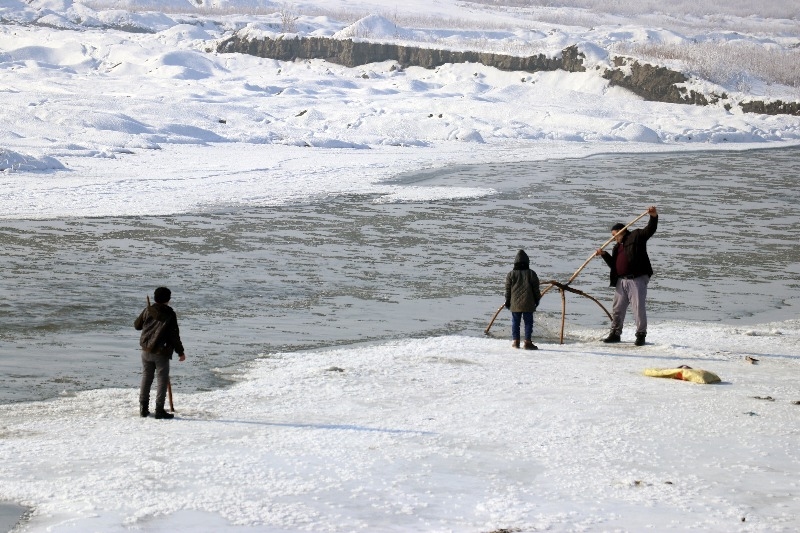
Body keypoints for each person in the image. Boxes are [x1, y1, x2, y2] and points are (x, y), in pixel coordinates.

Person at [595, 206, 659, 346]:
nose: (613, 238)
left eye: (614, 235)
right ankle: (615, 333)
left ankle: (641, 335)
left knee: (638, 308)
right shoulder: (617, 247)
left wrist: (653, 216)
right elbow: (614, 265)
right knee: (617, 309)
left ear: (621, 231)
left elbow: (650, 230)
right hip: (621, 281)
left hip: (636, 279)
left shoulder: (636, 236)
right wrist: (604, 254)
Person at [134, 287, 186, 419]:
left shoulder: (148, 310)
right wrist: (180, 352)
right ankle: (159, 410)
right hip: (161, 352)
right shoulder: (169, 314)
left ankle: (143, 409)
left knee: (146, 378)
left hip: (146, 350)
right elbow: (174, 335)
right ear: (168, 299)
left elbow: (137, 326)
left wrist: (147, 316)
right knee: (162, 380)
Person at [504, 249, 541, 350]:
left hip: (515, 303)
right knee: (528, 323)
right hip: (528, 303)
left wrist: (507, 301)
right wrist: (537, 299)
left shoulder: (510, 274)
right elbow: (536, 289)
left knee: (515, 323)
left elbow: (508, 290)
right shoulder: (531, 274)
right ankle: (527, 342)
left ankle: (516, 341)